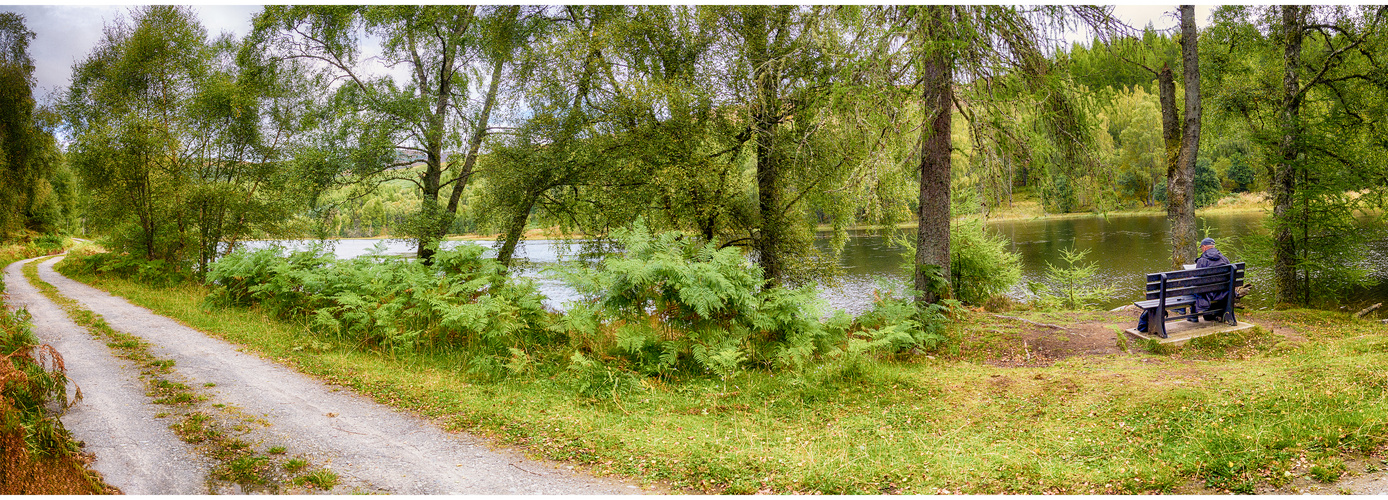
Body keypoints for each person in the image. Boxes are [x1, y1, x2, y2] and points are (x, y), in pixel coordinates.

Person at [1191, 237, 1231, 321]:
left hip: (1209, 294)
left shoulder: (1202, 261)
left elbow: (1197, 281)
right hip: (1222, 292)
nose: (1202, 250)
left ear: (1205, 247)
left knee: (1190, 286)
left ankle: (1193, 316)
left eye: (1201, 247)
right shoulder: (1224, 259)